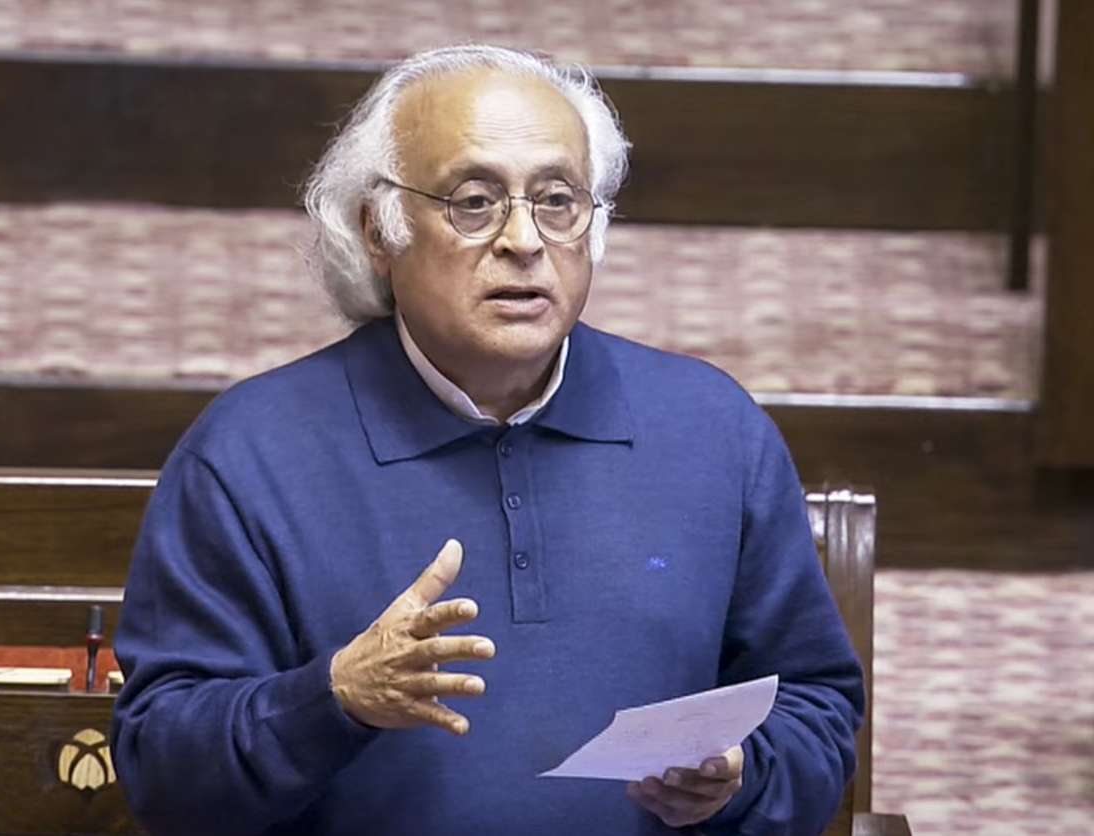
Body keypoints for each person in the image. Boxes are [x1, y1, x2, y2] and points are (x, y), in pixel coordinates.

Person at [111, 44, 864, 836]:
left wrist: (739, 781)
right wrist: (334, 699)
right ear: (379, 231)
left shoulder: (712, 430)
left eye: (557, 200)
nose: (524, 240)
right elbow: (163, 771)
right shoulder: (249, 455)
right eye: (474, 202)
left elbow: (813, 710)